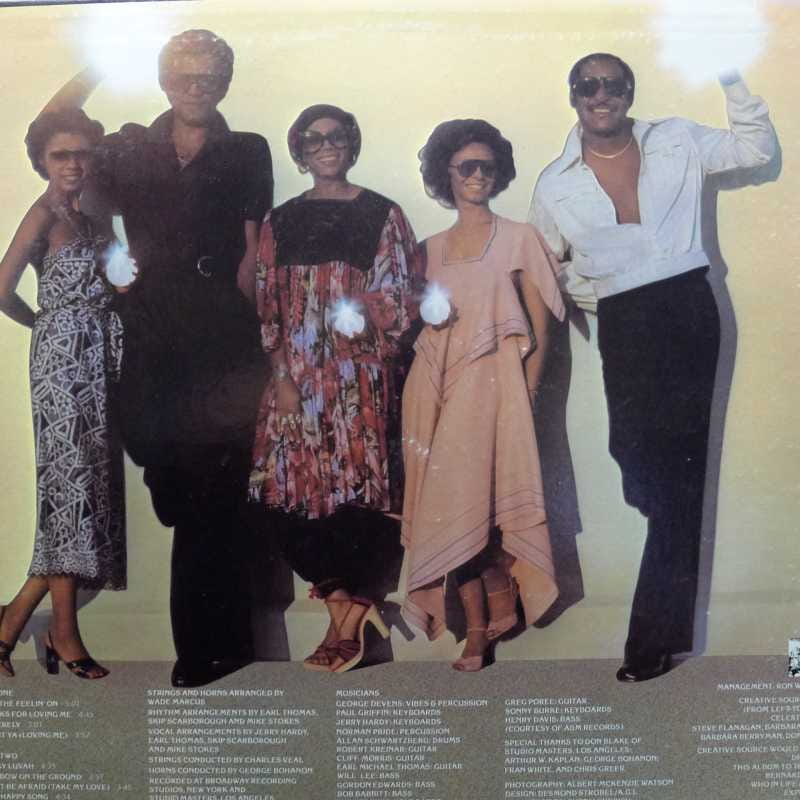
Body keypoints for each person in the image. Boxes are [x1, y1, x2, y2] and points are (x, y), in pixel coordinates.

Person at [530, 53, 780, 682]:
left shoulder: (677, 139)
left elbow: (756, 150)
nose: (601, 95)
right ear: (572, 95)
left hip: (690, 307)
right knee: (642, 467)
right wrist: (602, 293)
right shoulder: (555, 182)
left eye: (613, 85)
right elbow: (544, 267)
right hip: (625, 320)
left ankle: (647, 642)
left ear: (629, 92)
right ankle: (668, 629)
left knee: (681, 476)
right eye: (588, 86)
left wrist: (730, 78)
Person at [42, 30, 273, 687]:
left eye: (209, 78)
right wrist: (99, 62)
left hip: (221, 328)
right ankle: (221, 642)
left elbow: (252, 252)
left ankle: (206, 649)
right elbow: (50, 129)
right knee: (176, 486)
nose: (196, 87)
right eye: (184, 76)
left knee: (214, 492)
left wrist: (260, 342)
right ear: (165, 80)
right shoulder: (126, 148)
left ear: (224, 83)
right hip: (150, 329)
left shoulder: (247, 149)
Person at [249, 104, 418, 673]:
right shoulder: (280, 220)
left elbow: (399, 298)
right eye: (313, 139)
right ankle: (349, 609)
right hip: (296, 379)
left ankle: (342, 629)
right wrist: (282, 377)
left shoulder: (383, 213)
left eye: (336, 137)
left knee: (360, 497)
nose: (326, 146)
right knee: (282, 497)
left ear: (352, 144)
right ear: (299, 152)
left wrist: (353, 325)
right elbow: (268, 304)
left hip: (359, 378)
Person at [401, 119, 565, 671]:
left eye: (487, 167)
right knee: (449, 507)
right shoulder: (426, 251)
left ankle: (487, 615)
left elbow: (541, 333)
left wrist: (529, 395)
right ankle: (485, 609)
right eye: (466, 166)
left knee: (486, 504)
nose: (477, 176)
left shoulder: (520, 237)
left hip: (498, 394)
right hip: (435, 393)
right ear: (444, 174)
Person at [0, 108, 130, 679]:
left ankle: (9, 625)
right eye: (60, 155)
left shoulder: (94, 216)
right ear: (41, 161)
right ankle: (65, 633)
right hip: (62, 361)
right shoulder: (43, 212)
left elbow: (122, 278)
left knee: (84, 492)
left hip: (100, 359)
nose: (73, 164)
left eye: (82, 153)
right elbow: (1, 288)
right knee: (67, 490)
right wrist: (46, 324)